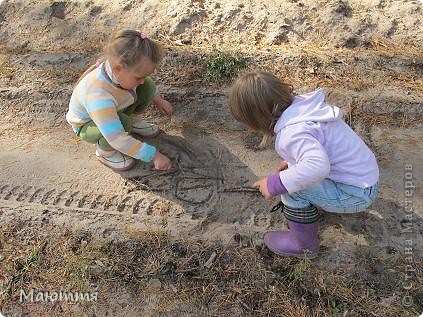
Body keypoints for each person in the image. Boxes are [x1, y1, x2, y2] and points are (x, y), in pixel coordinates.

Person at [229, 71, 379, 258]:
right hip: (365, 180)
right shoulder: (304, 110)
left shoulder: (291, 134)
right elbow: (317, 148)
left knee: (291, 188)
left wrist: (274, 184)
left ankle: (303, 245)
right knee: (293, 175)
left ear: (255, 120)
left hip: (355, 194)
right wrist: (293, 161)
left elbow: (317, 166)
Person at [66, 29, 172, 171]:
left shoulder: (119, 72)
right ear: (118, 69)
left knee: (147, 87)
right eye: (138, 77)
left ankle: (134, 123)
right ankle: (105, 153)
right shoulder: (98, 96)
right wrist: (153, 155)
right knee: (122, 123)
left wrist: (159, 100)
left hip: (113, 106)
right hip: (87, 125)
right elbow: (116, 137)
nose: (141, 81)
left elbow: (143, 83)